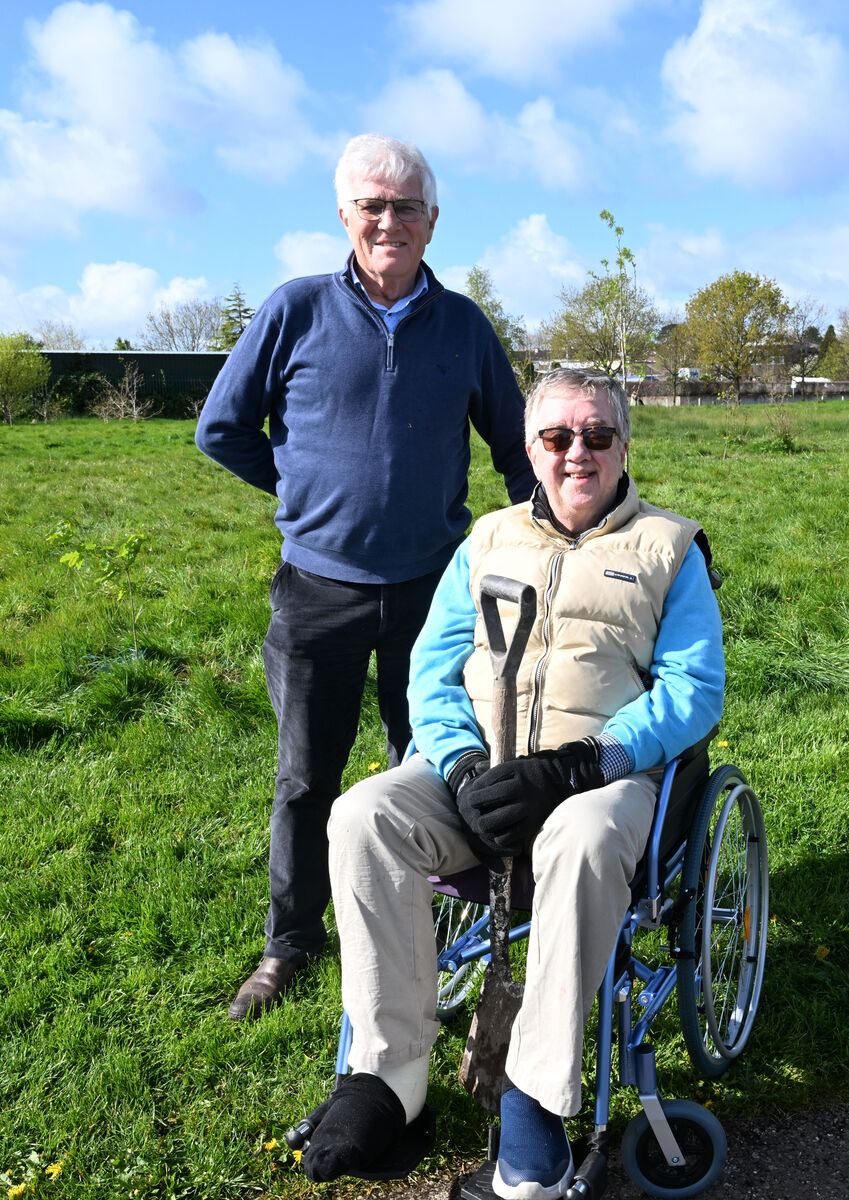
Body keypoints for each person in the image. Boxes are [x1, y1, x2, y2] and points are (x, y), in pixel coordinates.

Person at [304, 368, 725, 1198]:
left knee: (585, 836)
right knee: (363, 816)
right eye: (558, 437)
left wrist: (585, 764)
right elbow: (431, 671)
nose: (579, 453)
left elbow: (692, 689)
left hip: (601, 774)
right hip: (478, 769)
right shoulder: (487, 541)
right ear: (530, 449)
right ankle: (389, 1081)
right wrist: (460, 768)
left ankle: (535, 1099)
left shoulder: (671, 547)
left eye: (598, 435)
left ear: (624, 445)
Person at [195, 134, 534, 1020]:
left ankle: (408, 926)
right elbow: (221, 428)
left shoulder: (463, 326)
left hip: (433, 590)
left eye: (407, 207)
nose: (390, 221)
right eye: (372, 206)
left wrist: (562, 533)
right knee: (306, 777)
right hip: (319, 591)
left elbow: (513, 446)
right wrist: (300, 486)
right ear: (344, 215)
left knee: (420, 765)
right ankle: (290, 944)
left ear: (433, 221)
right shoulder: (296, 309)